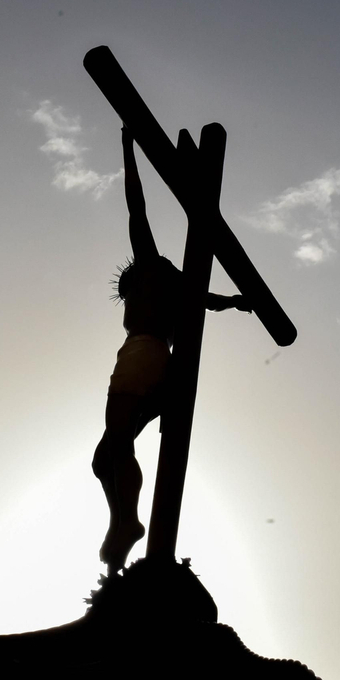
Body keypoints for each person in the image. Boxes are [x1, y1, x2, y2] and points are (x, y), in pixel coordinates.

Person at [94, 128, 249, 573]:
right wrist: (236, 302)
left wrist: (127, 146)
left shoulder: (150, 270)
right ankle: (125, 521)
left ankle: (127, 524)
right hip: (143, 361)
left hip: (142, 357)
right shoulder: (175, 282)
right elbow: (209, 298)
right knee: (106, 456)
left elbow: (135, 204)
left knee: (114, 448)